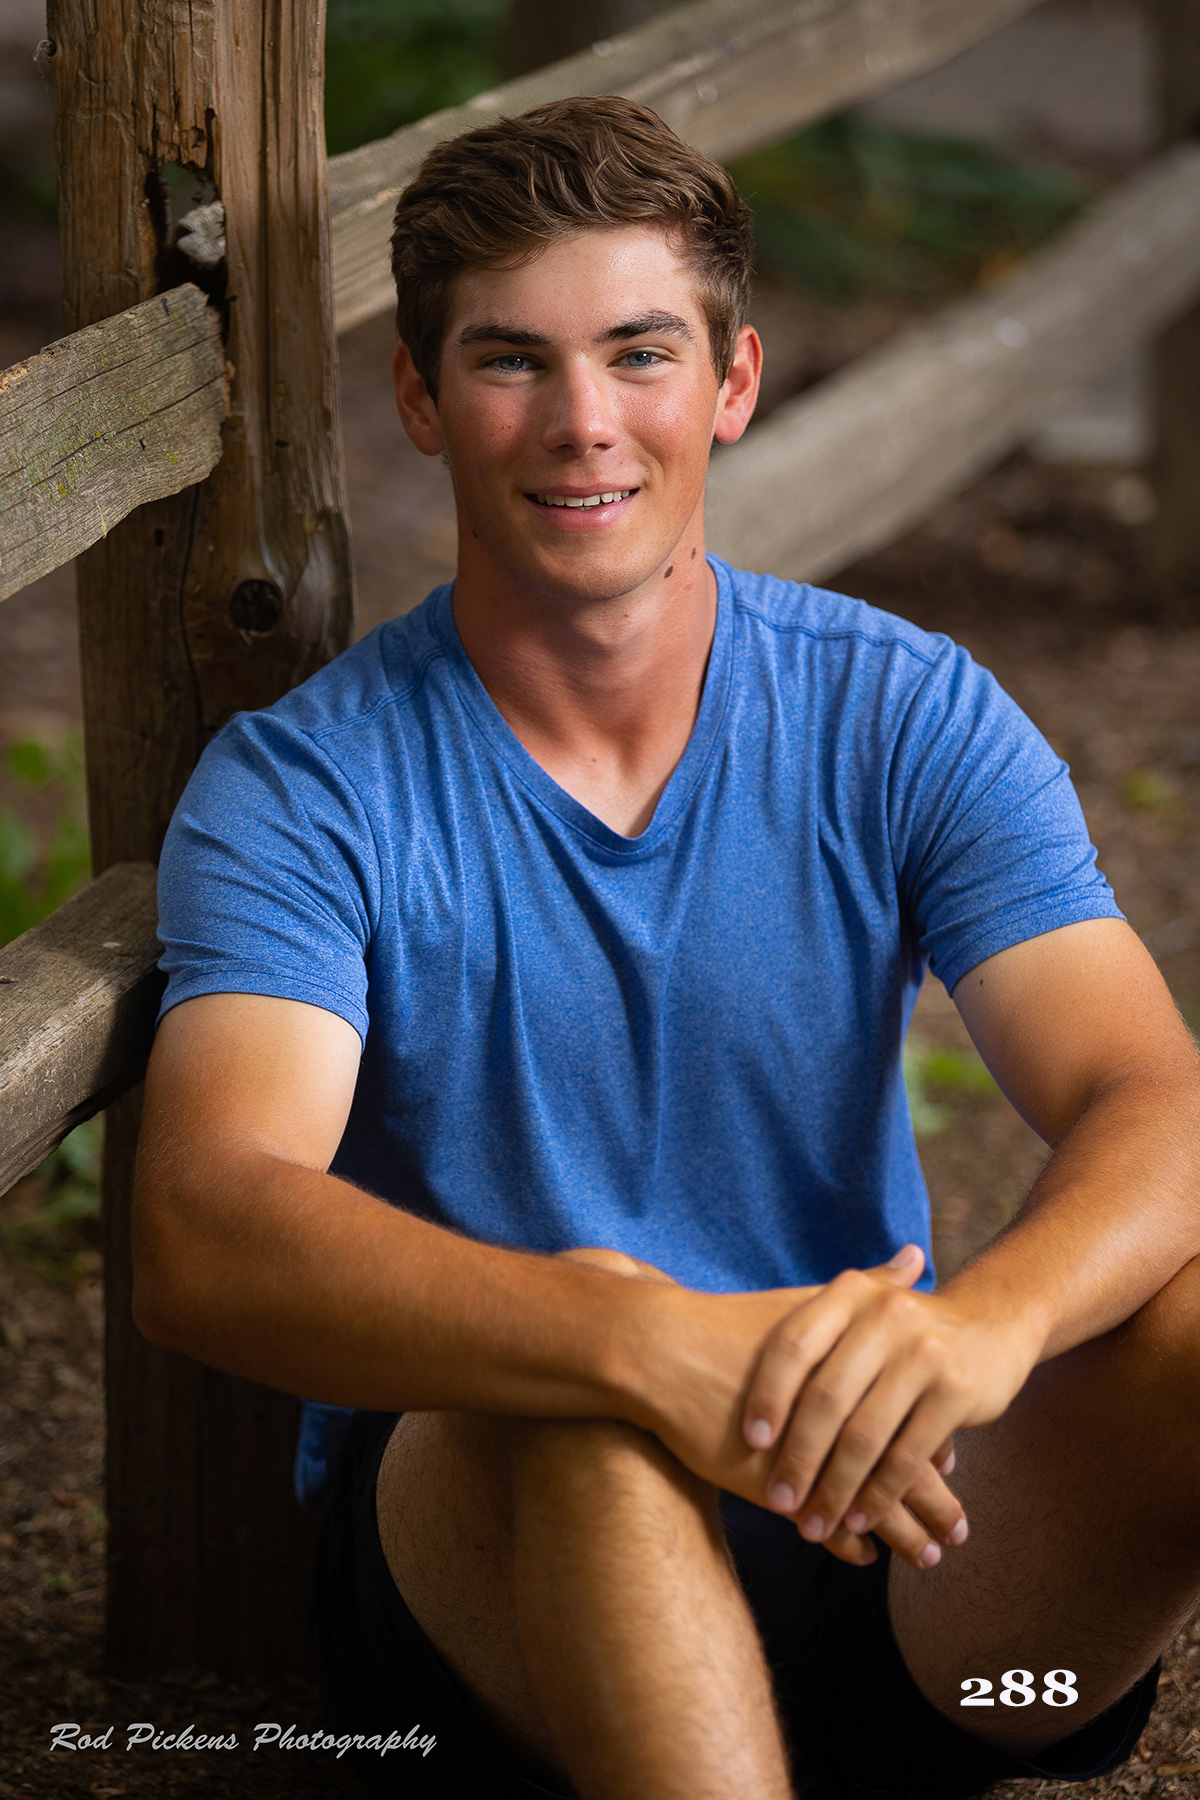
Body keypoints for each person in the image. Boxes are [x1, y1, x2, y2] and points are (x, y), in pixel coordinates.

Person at [133, 96, 1200, 1800]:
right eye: (511, 361)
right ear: (419, 399)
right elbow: (206, 1222)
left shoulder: (901, 711)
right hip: (507, 1620)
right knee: (580, 1404)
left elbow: (1157, 1095)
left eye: (640, 354)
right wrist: (632, 1334)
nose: (584, 424)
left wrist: (987, 1329)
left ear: (732, 384)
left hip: (911, 1579)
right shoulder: (310, 788)